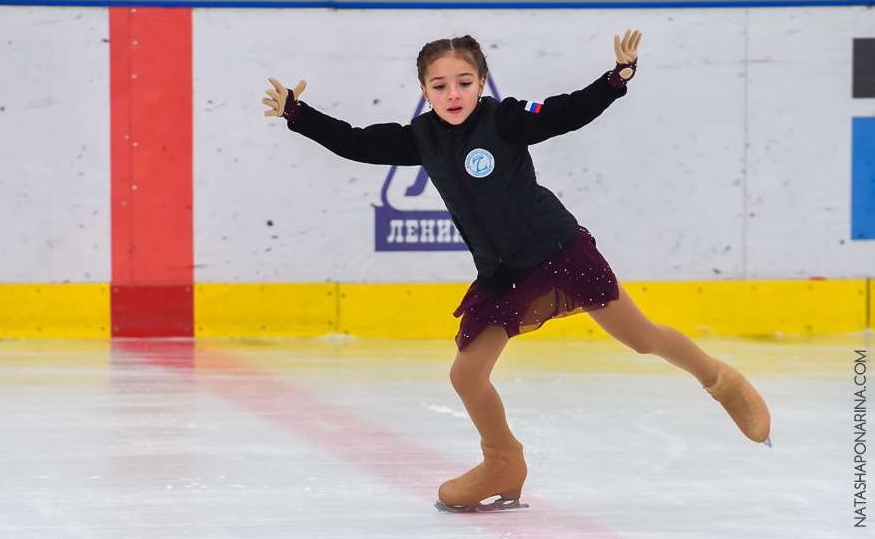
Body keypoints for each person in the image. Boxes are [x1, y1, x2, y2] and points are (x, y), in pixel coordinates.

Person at [261, 30, 771, 513]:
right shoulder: (421, 137)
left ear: (482, 83)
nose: (453, 93)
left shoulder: (504, 118)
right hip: (502, 273)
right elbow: (356, 142)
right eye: (440, 85)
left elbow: (565, 112)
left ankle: (721, 381)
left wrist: (616, 78)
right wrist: (299, 114)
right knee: (466, 373)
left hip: (558, 250)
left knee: (640, 337)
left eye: (464, 82)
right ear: (424, 91)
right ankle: (503, 462)